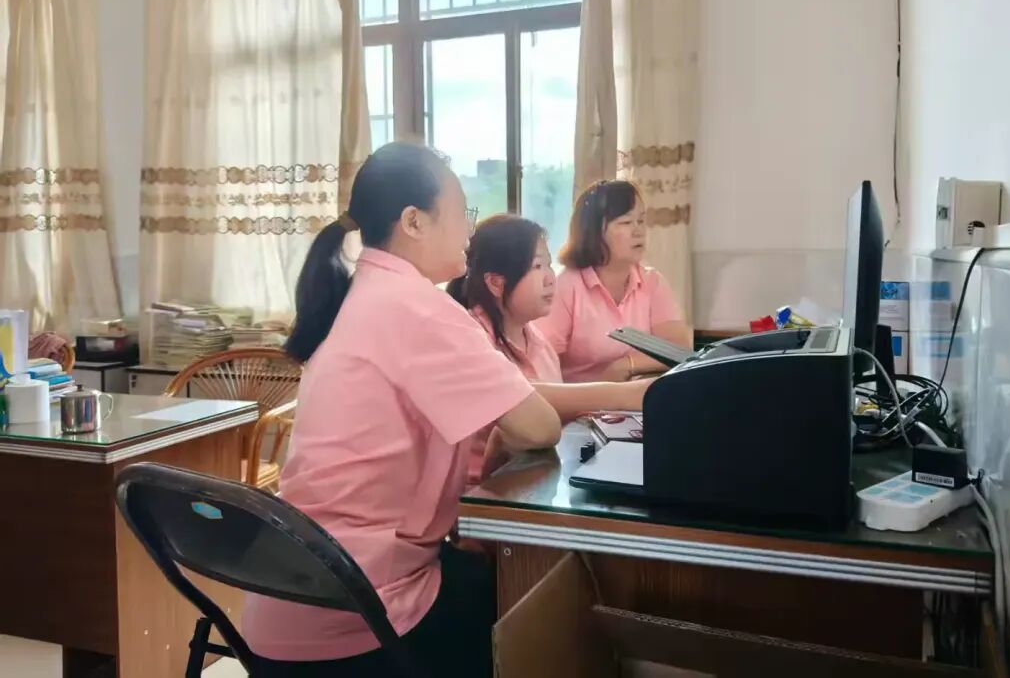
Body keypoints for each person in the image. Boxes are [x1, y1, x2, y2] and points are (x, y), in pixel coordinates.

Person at [243, 143, 562, 677]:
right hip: (361, 613)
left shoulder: (363, 292)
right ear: (414, 221)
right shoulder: (418, 306)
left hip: (288, 597)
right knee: (539, 605)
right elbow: (539, 426)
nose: (469, 230)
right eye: (463, 211)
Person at [446, 214, 652, 483]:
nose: (550, 279)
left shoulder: (537, 341)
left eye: (548, 264)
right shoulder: (470, 335)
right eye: (536, 266)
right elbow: (520, 396)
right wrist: (626, 394)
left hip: (530, 480)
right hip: (481, 495)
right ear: (496, 282)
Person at [538, 180, 693, 383]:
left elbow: (679, 349)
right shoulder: (565, 287)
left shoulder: (652, 282)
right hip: (582, 400)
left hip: (638, 398)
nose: (638, 231)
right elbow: (542, 361)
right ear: (594, 231)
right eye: (626, 222)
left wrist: (627, 365)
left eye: (641, 220)